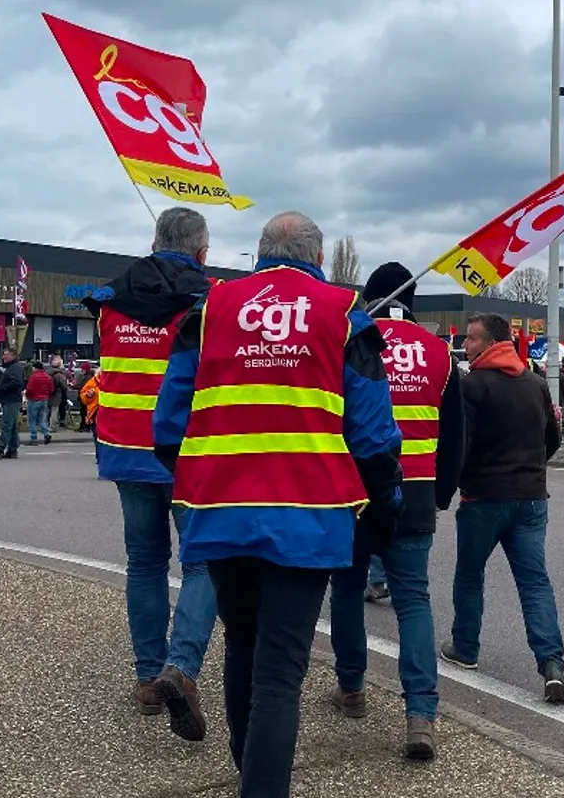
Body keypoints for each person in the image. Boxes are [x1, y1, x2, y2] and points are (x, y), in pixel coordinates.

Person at [154, 211, 405, 797]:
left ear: (258, 254)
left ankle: (252, 773)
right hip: (309, 517)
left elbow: (168, 426)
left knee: (241, 643)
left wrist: (200, 480)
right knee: (280, 674)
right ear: (318, 258)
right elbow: (372, 435)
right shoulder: (346, 316)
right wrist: (381, 503)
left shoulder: (209, 310)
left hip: (220, 511)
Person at [82, 207, 219, 741]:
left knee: (144, 562)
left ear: (153, 241)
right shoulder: (209, 302)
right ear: (202, 252)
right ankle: (180, 669)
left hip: (126, 447)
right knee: (202, 562)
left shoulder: (110, 299)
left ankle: (146, 678)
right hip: (187, 449)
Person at [329, 262, 464, 761]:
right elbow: (455, 434)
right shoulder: (438, 353)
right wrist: (443, 492)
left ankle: (352, 688)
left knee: (345, 589)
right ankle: (420, 714)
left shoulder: (350, 339)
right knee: (413, 601)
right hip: (418, 492)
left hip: (355, 489)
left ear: (371, 297)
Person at [440, 312, 564, 704]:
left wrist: (448, 486)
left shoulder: (472, 385)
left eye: (473, 339)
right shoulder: (533, 383)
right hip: (531, 497)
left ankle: (465, 647)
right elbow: (553, 438)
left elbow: (460, 445)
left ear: (492, 342)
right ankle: (551, 663)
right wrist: (530, 469)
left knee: (469, 575)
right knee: (534, 582)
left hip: (484, 498)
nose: (467, 345)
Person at [0, 348, 25, 459]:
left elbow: (16, 382)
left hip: (11, 399)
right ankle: (12, 449)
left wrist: (1, 389)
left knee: (6, 424)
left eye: (7, 355)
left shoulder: (15, 368)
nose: (4, 357)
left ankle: (0, 447)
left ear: (13, 355)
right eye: (4, 354)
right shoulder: (11, 367)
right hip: (9, 399)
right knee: (12, 426)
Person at [25, 362, 54, 446]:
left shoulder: (33, 377)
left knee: (32, 420)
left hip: (34, 400)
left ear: (35, 368)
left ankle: (33, 438)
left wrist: (28, 396)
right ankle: (47, 433)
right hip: (44, 399)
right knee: (41, 419)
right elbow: (51, 389)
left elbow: (29, 389)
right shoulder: (48, 377)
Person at [48, 355, 70, 431]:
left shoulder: (48, 372)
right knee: (55, 410)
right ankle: (53, 426)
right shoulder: (60, 374)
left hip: (49, 393)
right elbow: (64, 386)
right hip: (57, 394)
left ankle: (45, 424)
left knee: (48, 410)